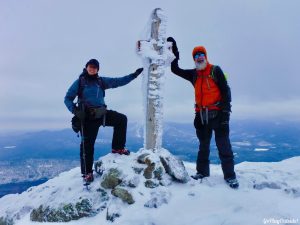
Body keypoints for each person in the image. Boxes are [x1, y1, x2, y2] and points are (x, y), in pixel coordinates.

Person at [167, 37, 239, 189]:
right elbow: (175, 70)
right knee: (203, 147)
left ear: (206, 57)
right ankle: (202, 172)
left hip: (219, 115)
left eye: (201, 55)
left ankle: (230, 176)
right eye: (196, 56)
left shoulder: (215, 70)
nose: (199, 58)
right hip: (202, 116)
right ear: (194, 59)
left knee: (224, 147)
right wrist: (174, 50)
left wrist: (225, 115)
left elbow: (226, 92)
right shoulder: (194, 74)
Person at [64, 59, 143, 183]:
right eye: (90, 66)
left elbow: (118, 81)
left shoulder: (101, 81)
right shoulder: (80, 82)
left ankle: (118, 148)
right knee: (87, 146)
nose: (92, 69)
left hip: (101, 114)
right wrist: (75, 110)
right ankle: (87, 173)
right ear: (86, 67)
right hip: (87, 118)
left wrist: (133, 75)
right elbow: (67, 99)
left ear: (97, 69)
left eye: (95, 67)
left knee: (121, 119)